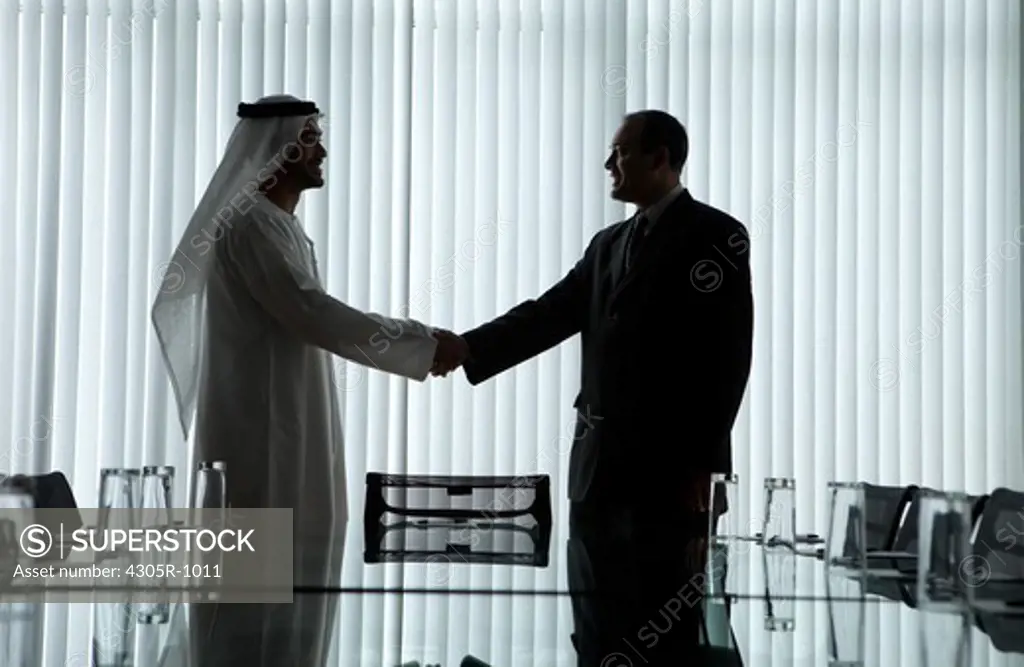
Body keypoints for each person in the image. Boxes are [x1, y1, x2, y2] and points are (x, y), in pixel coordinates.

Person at [150, 94, 464, 667]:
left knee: (295, 583)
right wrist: (423, 342)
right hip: (263, 437)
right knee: (258, 601)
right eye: (312, 138)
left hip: (292, 426)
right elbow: (310, 311)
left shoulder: (274, 224)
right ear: (282, 146)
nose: (322, 151)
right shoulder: (250, 225)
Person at [433, 110, 754, 663]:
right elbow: (550, 313)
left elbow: (728, 361)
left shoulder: (716, 235)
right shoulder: (608, 243)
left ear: (660, 158)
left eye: (621, 152)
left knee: (663, 634)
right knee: (596, 630)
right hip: (596, 475)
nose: (609, 163)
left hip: (671, 478)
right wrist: (468, 346)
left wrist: (705, 469)